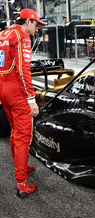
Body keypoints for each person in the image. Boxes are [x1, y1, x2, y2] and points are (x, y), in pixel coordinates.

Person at [0, 9, 46, 198]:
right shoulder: (23, 37)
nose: (37, 30)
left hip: (3, 87)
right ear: (27, 22)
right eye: (36, 25)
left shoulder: (3, 33)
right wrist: (31, 99)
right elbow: (23, 70)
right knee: (23, 136)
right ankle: (22, 183)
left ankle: (22, 165)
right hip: (17, 91)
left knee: (14, 130)